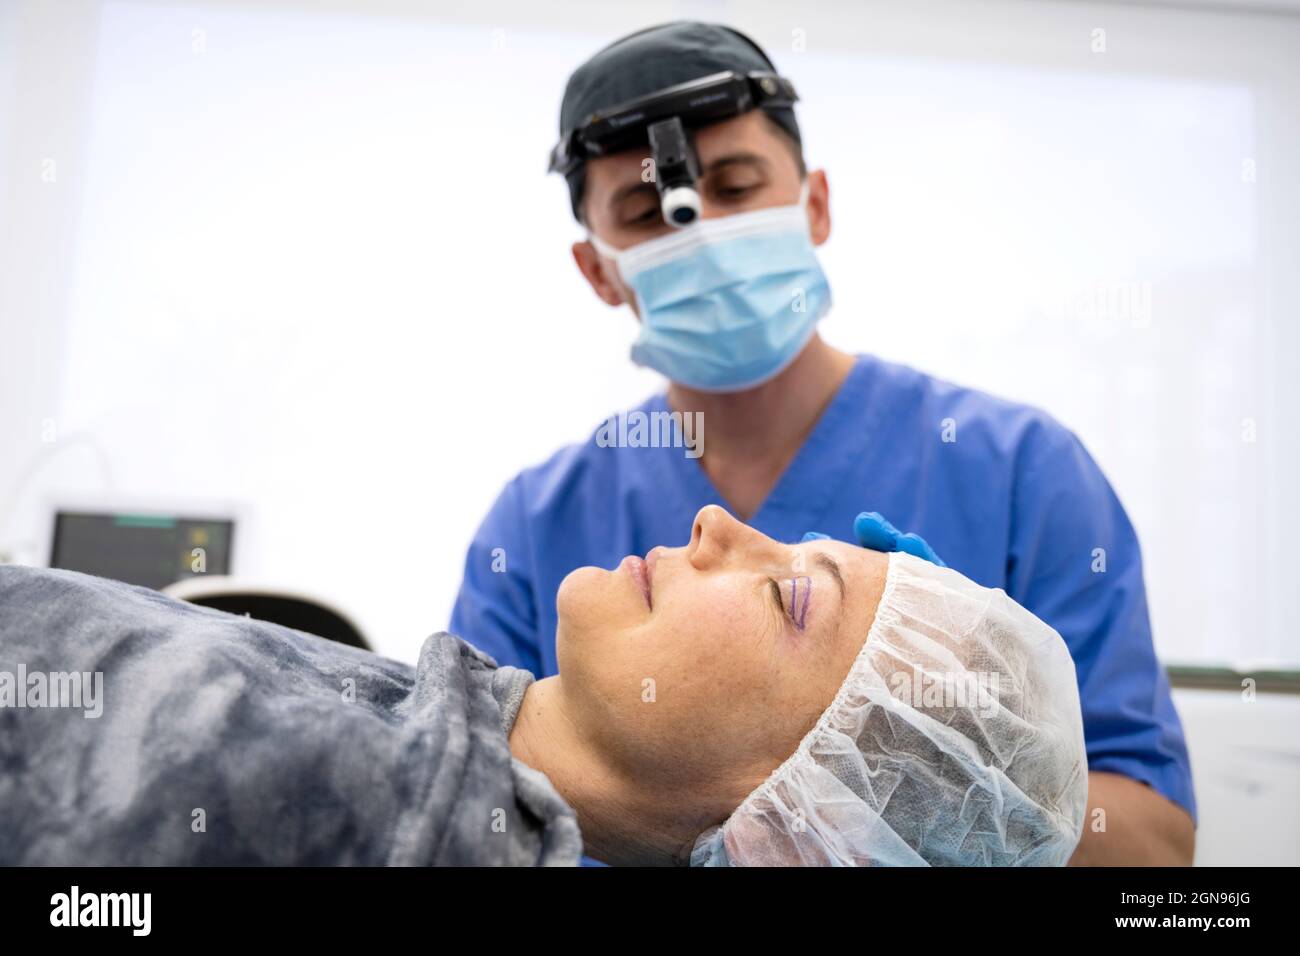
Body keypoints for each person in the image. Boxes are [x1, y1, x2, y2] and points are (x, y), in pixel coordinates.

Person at [450, 20, 1195, 865]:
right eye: (647, 210)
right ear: (597, 270)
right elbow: (468, 799)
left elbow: (1151, 846)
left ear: (815, 204)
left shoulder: (1022, 472)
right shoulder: (538, 524)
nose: (702, 233)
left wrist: (907, 778)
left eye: (735, 187)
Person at [0, 506, 1086, 866]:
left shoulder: (353, 818)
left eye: (789, 597)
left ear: (792, 825)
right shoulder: (433, 746)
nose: (716, 523)